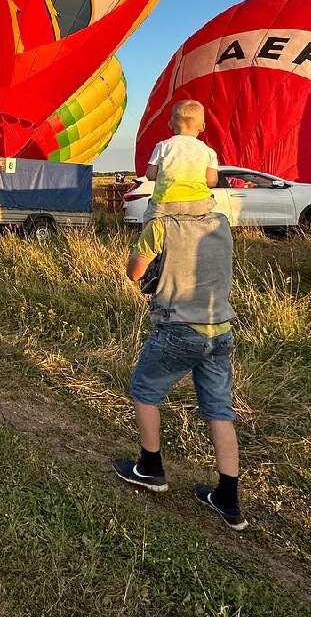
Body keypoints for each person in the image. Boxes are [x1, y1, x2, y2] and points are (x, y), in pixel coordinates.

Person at [114, 189, 246, 531]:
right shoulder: (220, 222)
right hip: (220, 330)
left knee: (144, 390)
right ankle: (228, 498)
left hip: (179, 328)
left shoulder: (161, 225)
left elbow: (134, 272)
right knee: (219, 410)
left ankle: (150, 468)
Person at [144, 99, 219, 218]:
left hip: (165, 203)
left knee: (150, 218)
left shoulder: (162, 146)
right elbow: (211, 181)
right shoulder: (209, 151)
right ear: (203, 126)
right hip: (198, 203)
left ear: (170, 124)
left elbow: (150, 175)